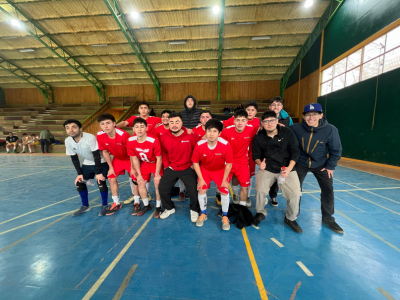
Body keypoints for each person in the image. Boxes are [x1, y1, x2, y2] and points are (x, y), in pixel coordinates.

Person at [291, 103, 343, 233]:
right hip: (300, 163)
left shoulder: (331, 130)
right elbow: (282, 134)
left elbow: (336, 150)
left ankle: (328, 217)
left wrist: (330, 166)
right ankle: (292, 216)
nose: (311, 117)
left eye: (314, 114)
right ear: (303, 117)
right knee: (295, 190)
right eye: (308, 115)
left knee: (328, 189)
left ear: (321, 115)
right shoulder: (295, 128)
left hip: (321, 164)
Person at [252, 111, 303, 233]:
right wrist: (260, 164)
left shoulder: (288, 133)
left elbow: (295, 152)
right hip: (268, 168)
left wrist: (289, 169)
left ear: (277, 121)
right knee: (259, 190)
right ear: (262, 123)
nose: (269, 123)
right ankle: (260, 212)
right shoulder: (259, 137)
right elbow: (256, 155)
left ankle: (290, 218)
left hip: (286, 168)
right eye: (266, 121)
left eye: (272, 120)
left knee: (295, 194)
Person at [158, 112, 201, 221]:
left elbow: (198, 150)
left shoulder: (191, 136)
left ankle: (194, 210)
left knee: (193, 191)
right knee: (162, 188)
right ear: (168, 123)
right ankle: (169, 208)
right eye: (171, 122)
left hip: (187, 167)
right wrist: (167, 165)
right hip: (172, 167)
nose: (174, 124)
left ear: (182, 123)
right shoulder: (164, 137)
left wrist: (193, 163)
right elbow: (163, 152)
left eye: (177, 122)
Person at [192, 119, 233, 230]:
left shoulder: (225, 145)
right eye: (209, 131)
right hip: (205, 170)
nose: (211, 134)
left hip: (220, 170)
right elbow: (195, 162)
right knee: (201, 189)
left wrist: (225, 180)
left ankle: (225, 216)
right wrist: (200, 179)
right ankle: (203, 213)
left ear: (219, 133)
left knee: (224, 190)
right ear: (205, 131)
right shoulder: (200, 144)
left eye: (215, 131)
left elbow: (229, 164)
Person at [64, 119, 109, 217]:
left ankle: (105, 205)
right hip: (88, 162)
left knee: (100, 181)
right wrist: (79, 174)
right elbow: (74, 158)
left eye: (74, 127)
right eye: (67, 128)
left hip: (101, 161)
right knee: (80, 182)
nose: (70, 130)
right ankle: (85, 206)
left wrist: (98, 173)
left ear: (80, 129)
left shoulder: (90, 138)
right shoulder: (68, 141)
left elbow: (97, 156)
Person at [97, 113, 140, 216]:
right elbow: (105, 152)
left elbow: (131, 152)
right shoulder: (100, 135)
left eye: (108, 123)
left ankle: (137, 201)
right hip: (117, 159)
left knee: (134, 177)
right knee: (111, 177)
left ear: (114, 124)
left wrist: (132, 167)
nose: (105, 126)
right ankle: (116, 203)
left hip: (130, 157)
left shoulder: (123, 135)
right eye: (102, 124)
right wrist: (110, 167)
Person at [223, 101, 260, 206]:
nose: (240, 123)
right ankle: (225, 209)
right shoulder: (226, 131)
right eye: (238, 120)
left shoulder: (251, 129)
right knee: (223, 185)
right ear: (233, 121)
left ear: (246, 121)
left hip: (243, 162)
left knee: (245, 185)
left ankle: (242, 210)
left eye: (243, 120)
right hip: (228, 162)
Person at [127, 118, 163, 218]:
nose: (139, 129)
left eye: (142, 126)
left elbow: (159, 158)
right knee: (140, 182)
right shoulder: (130, 140)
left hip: (156, 163)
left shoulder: (153, 140)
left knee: (157, 183)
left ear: (147, 128)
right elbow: (134, 158)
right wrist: (138, 174)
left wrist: (156, 175)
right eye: (137, 127)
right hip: (145, 164)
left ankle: (158, 207)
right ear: (133, 129)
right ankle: (146, 205)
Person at [267, 96, 294, 207]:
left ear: (281, 106)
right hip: (269, 151)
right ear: (270, 107)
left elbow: (292, 134)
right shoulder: (265, 118)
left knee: (280, 174)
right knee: (269, 174)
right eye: (273, 104)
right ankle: (265, 193)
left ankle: (273, 196)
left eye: (278, 104)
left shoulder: (288, 119)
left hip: (283, 152)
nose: (276, 106)